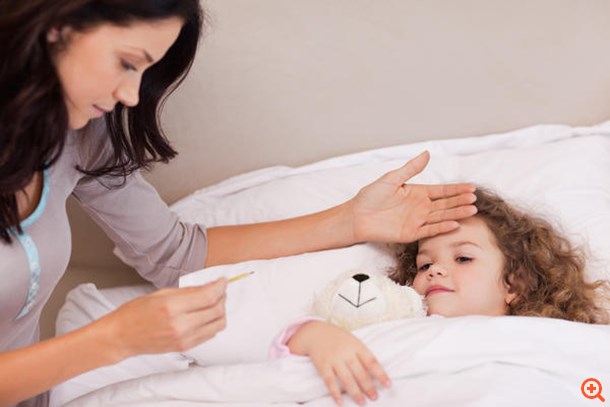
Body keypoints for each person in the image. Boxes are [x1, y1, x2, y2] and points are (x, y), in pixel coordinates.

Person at [0, 1, 478, 406]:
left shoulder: (79, 133)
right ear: (56, 24)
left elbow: (172, 253)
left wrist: (350, 222)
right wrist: (112, 340)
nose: (130, 95)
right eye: (127, 62)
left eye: (145, 72)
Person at [282, 187, 610, 406]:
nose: (435, 270)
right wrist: (318, 335)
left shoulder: (550, 336)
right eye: (425, 264)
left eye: (463, 258)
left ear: (514, 285)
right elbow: (289, 368)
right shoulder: (396, 328)